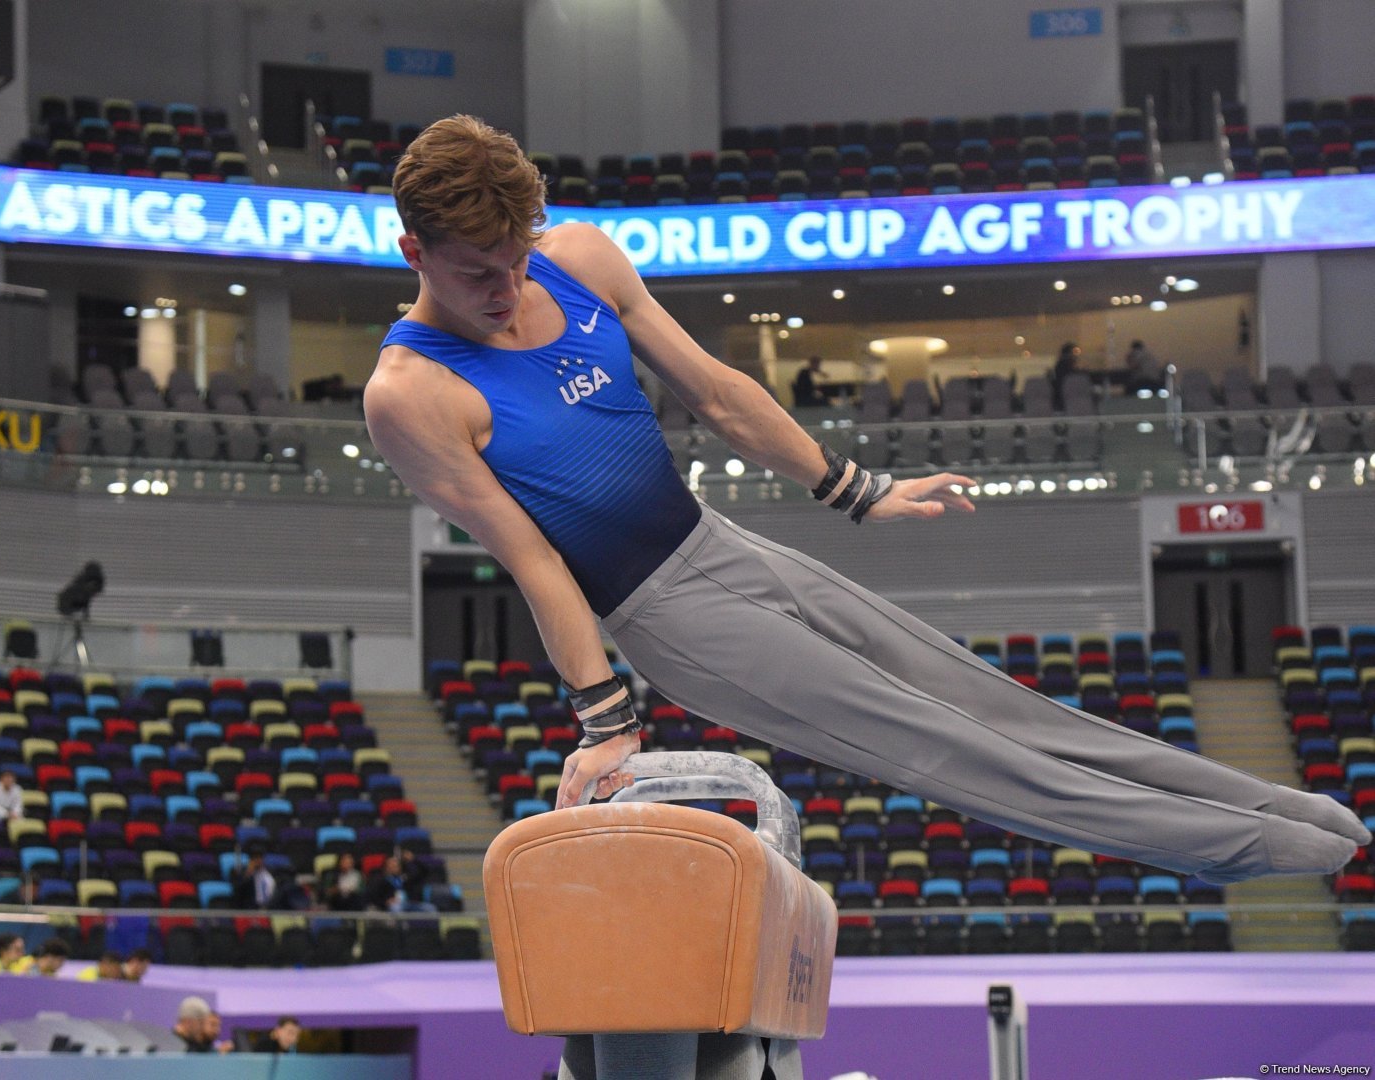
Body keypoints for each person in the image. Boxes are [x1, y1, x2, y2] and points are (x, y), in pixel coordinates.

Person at [364, 114, 1366, 887]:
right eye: (474, 274)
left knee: (983, 697)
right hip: (663, 616)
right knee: (935, 743)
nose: (505, 288)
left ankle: (1262, 801)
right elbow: (533, 558)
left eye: (513, 260)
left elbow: (717, 393)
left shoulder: (578, 259)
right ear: (413, 252)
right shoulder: (411, 393)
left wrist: (853, 489)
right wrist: (603, 716)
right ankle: (1227, 847)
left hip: (723, 544)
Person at [366, 856, 433, 913]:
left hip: (409, 902)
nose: (394, 866)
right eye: (391, 865)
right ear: (386, 867)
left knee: (430, 908)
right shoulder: (381, 880)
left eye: (396, 865)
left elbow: (425, 872)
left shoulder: (406, 877)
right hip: (394, 905)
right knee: (396, 909)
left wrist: (414, 860)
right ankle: (403, 928)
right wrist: (385, 902)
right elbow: (372, 896)